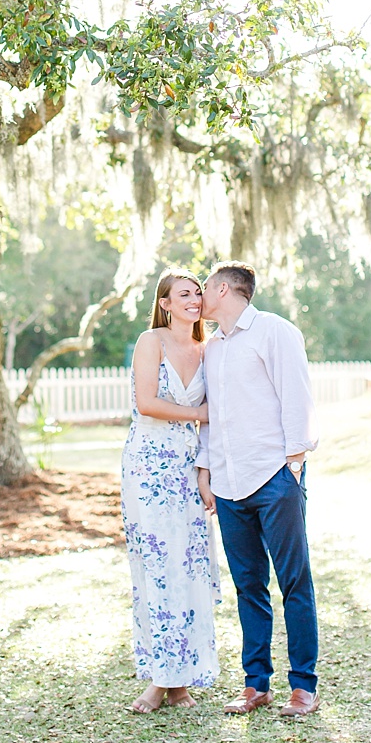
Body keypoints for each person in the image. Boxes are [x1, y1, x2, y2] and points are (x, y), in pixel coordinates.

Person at [195, 261, 321, 718]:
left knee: (294, 582)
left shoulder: (274, 331)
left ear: (223, 289)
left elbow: (297, 395)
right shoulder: (211, 348)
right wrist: (206, 470)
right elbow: (213, 414)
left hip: (274, 477)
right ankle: (256, 685)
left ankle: (303, 687)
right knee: (249, 586)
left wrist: (295, 463)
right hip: (229, 483)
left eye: (204, 288)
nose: (198, 297)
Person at [121, 269, 221, 713]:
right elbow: (147, 402)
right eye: (184, 294)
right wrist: (200, 413)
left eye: (198, 293)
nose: (194, 299)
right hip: (149, 465)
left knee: (190, 568)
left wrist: (205, 471)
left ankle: (182, 682)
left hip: (189, 466)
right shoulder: (152, 342)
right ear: (164, 303)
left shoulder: (210, 348)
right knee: (158, 566)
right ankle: (160, 681)